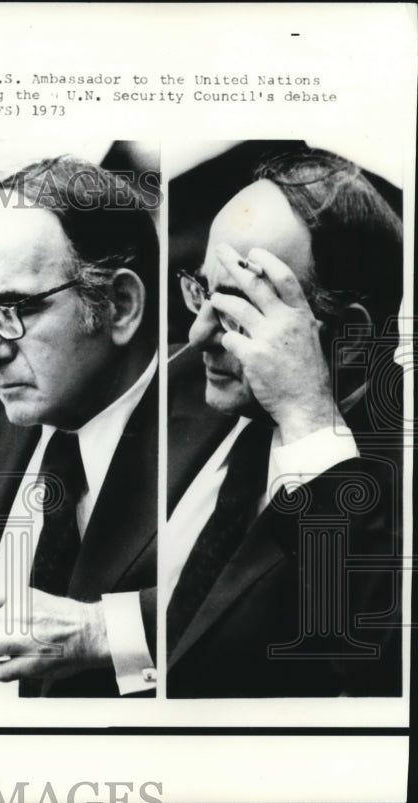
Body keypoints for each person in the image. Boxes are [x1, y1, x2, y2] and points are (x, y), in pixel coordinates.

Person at [166, 148, 404, 697]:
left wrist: (308, 416)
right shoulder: (202, 403)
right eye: (201, 290)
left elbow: (374, 671)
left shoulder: (391, 485)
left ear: (349, 338)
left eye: (240, 306)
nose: (199, 334)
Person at [0, 155, 160, 697]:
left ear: (119, 306)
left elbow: (262, 605)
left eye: (12, 310)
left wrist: (104, 631)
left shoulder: (215, 435)